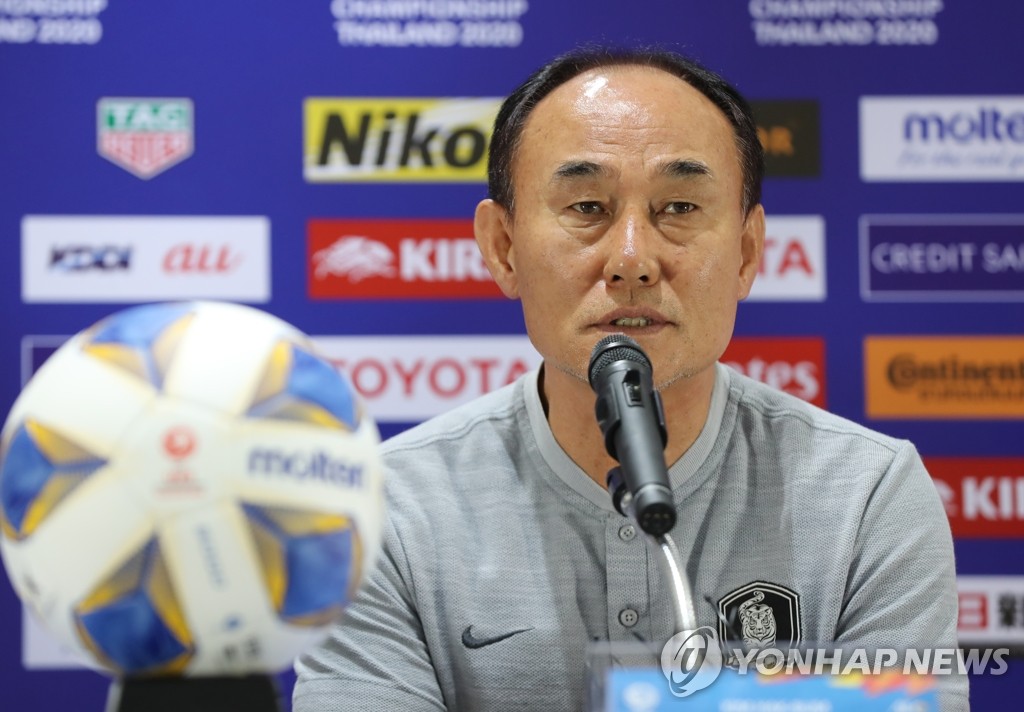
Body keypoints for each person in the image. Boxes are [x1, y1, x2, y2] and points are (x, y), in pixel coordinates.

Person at [293, 45, 966, 711]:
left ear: (747, 253)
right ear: (503, 248)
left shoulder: (867, 495)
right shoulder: (382, 511)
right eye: (587, 206)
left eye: (680, 208)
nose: (633, 259)